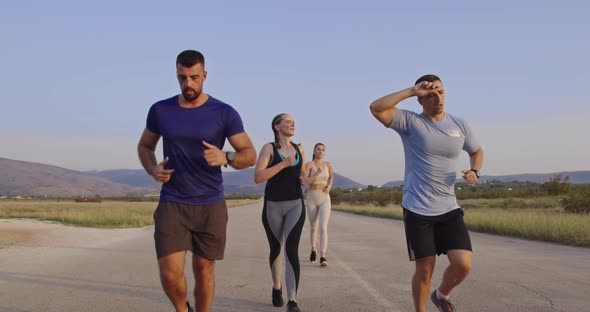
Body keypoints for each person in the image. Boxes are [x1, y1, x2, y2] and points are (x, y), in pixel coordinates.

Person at [137, 50, 256, 312]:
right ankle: (182, 309)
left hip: (210, 203)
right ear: (176, 75)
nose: (188, 84)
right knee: (169, 274)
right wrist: (151, 168)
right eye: (182, 78)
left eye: (193, 77)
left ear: (204, 75)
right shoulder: (161, 110)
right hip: (173, 201)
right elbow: (145, 146)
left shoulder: (224, 112)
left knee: (204, 271)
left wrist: (226, 156)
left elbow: (250, 155)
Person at [369, 74, 484, 312]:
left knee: (463, 265)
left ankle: (441, 294)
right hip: (417, 208)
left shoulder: (459, 124)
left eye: (440, 92)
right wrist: (411, 91)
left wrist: (475, 170)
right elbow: (376, 108)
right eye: (430, 94)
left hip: (449, 207)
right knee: (425, 270)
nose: (438, 98)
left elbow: (477, 150)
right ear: (421, 100)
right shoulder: (410, 122)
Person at [254, 113, 306, 312]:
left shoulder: (299, 148)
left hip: (295, 204)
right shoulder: (269, 148)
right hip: (273, 206)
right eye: (288, 121)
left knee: (291, 250)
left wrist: (305, 180)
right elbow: (258, 177)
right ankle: (277, 287)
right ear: (277, 126)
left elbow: (301, 175)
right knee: (276, 248)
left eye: (294, 121)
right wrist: (284, 163)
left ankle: (292, 300)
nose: (292, 124)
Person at [303, 143, 333, 267]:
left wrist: (329, 186)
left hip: (324, 197)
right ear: (314, 151)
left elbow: (331, 177)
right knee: (313, 226)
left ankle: (323, 256)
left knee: (323, 227)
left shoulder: (328, 165)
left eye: (322, 150)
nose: (320, 151)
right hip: (311, 198)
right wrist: (316, 174)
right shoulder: (309, 165)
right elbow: (305, 182)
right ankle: (313, 249)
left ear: (324, 152)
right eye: (318, 149)